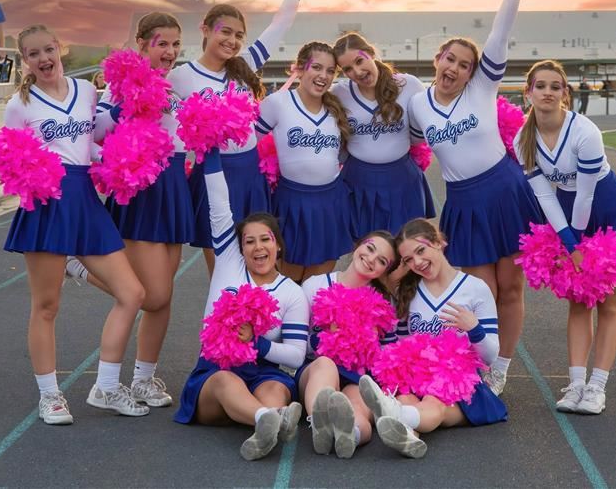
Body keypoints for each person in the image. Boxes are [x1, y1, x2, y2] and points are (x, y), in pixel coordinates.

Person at [2, 25, 148, 424]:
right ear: (25, 61)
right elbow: (10, 159)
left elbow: (95, 134)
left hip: (85, 197)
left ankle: (105, 385)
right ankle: (50, 395)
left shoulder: (86, 92)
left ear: (59, 49)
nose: (44, 59)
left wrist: (124, 118)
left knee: (133, 292)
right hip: (48, 204)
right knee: (47, 306)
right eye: (33, 54)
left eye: (48, 49)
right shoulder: (20, 105)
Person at [407, 0, 543, 396]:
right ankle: (479, 361)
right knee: (480, 291)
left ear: (473, 72)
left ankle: (500, 367)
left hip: (506, 192)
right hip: (464, 201)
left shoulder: (482, 88)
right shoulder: (416, 105)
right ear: (437, 59)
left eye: (465, 64)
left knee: (512, 286)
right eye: (450, 59)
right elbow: (402, 142)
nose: (455, 68)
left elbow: (500, 31)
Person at [514, 60, 616, 414]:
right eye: (540, 85)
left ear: (565, 93)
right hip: (565, 210)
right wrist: (569, 243)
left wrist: (575, 243)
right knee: (578, 301)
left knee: (608, 301)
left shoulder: (585, 132)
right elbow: (545, 196)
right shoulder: (522, 138)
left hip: (606, 208)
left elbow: (587, 195)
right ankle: (576, 384)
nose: (547, 92)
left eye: (555, 86)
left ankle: (597, 387)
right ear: (527, 92)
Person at [67, 13, 190, 409]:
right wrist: (121, 130)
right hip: (143, 188)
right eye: (161, 43)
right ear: (141, 44)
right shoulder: (122, 85)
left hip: (173, 186)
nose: (169, 52)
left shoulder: (173, 83)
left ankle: (143, 379)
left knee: (165, 296)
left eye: (175, 44)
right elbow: (96, 130)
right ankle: (82, 267)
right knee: (150, 295)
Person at [174, 148, 307, 461]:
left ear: (277, 244)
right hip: (215, 372)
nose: (258, 247)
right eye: (249, 241)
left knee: (276, 390)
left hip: (262, 372)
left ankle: (265, 424)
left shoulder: (291, 293)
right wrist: (211, 149)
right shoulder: (229, 262)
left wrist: (257, 344)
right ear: (240, 247)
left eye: (266, 239)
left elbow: (296, 354)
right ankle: (269, 419)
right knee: (226, 381)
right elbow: (219, 204)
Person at [168, 0, 305, 278]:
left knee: (264, 264)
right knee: (223, 271)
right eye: (225, 32)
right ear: (205, 29)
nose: (232, 40)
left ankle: (262, 325)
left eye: (238, 35)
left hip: (250, 174)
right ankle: (224, 325)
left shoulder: (244, 65)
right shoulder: (180, 77)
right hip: (212, 175)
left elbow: (281, 22)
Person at [359, 218, 506, 459]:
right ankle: (408, 438)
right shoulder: (410, 292)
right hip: (418, 377)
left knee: (434, 402)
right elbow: (402, 346)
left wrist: (474, 328)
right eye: (408, 260)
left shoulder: (476, 288)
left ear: (438, 242)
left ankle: (392, 413)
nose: (417, 262)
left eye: (421, 250)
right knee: (406, 396)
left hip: (458, 382)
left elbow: (490, 356)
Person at [255, 42, 352, 283]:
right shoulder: (277, 103)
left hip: (330, 203)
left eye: (330, 71)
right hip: (292, 203)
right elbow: (246, 145)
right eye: (317, 67)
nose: (323, 76)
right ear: (299, 68)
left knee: (318, 287)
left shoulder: (336, 109)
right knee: (286, 283)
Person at [297, 232, 400, 458]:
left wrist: (371, 345)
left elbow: (390, 355)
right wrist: (328, 337)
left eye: (382, 261)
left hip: (357, 375)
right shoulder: (315, 285)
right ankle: (319, 421)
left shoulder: (383, 303)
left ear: (385, 271)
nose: (372, 259)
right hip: (316, 370)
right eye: (370, 248)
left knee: (359, 404)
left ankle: (351, 435)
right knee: (325, 365)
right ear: (358, 246)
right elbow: (298, 345)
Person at [332, 33, 433, 238]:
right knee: (366, 251)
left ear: (371, 53)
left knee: (406, 247)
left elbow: (424, 128)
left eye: (360, 61)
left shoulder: (409, 84)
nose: (357, 72)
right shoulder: (339, 93)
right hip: (358, 180)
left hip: (402, 178)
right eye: (348, 69)